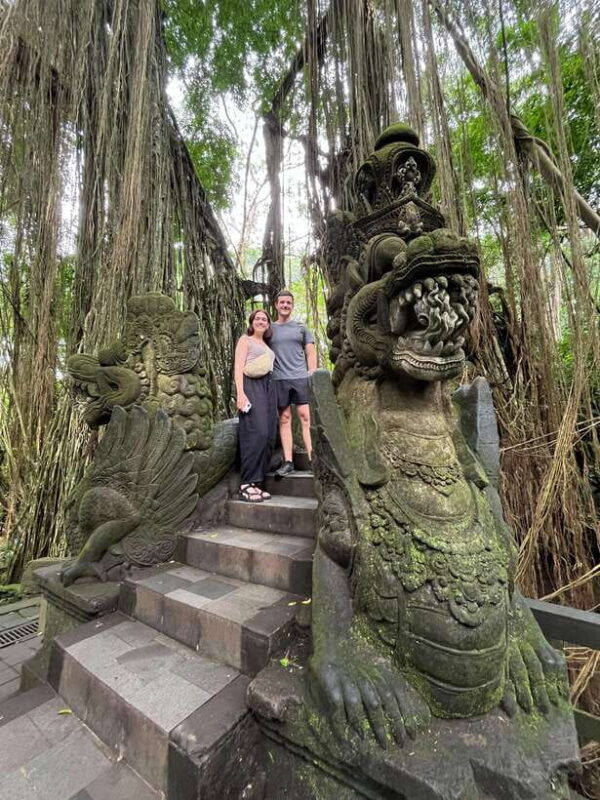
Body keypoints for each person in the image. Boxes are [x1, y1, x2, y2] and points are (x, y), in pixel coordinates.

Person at [269, 290, 317, 477]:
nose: (285, 305)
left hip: (299, 377)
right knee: (284, 418)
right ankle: (288, 461)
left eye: (288, 302)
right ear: (276, 305)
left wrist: (311, 373)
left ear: (292, 305)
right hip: (279, 379)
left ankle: (313, 458)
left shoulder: (300, 328)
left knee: (305, 416)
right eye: (282, 302)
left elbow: (311, 352)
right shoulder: (269, 329)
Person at [233, 309, 276, 502]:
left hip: (267, 387)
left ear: (268, 324)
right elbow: (238, 368)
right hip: (250, 386)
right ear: (251, 322)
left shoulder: (266, 344)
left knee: (267, 435)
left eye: (264, 319)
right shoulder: (245, 340)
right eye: (257, 318)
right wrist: (241, 394)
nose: (261, 321)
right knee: (255, 432)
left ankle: (256, 483)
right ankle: (245, 484)